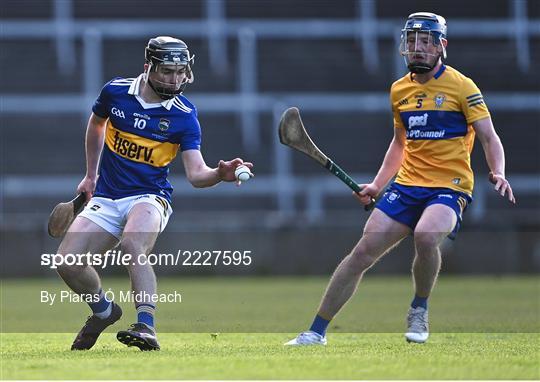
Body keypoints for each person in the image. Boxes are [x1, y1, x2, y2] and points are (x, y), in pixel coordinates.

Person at [285, 12, 515, 346]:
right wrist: (377, 185)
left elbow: (489, 137)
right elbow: (399, 142)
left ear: (441, 46)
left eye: (426, 41)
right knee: (361, 253)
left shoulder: (463, 87)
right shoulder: (399, 90)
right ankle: (315, 332)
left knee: (426, 235)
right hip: (407, 186)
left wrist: (498, 171)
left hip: (449, 187)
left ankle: (419, 309)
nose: (418, 48)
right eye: (412, 41)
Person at [56, 36, 253, 351]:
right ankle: (104, 312)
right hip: (106, 196)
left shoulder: (184, 114)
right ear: (148, 67)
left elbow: (196, 174)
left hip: (150, 196)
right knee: (67, 263)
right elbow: (96, 125)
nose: (175, 79)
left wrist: (219, 174)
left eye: (181, 71)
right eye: (167, 71)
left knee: (134, 242)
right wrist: (90, 175)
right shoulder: (115, 93)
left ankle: (146, 327)